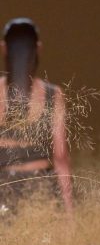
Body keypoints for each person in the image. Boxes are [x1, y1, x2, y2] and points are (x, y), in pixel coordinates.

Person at [0, 18, 72, 212]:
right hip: (41, 191)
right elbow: (61, 158)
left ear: (4, 48)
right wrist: (69, 213)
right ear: (38, 48)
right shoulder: (52, 94)